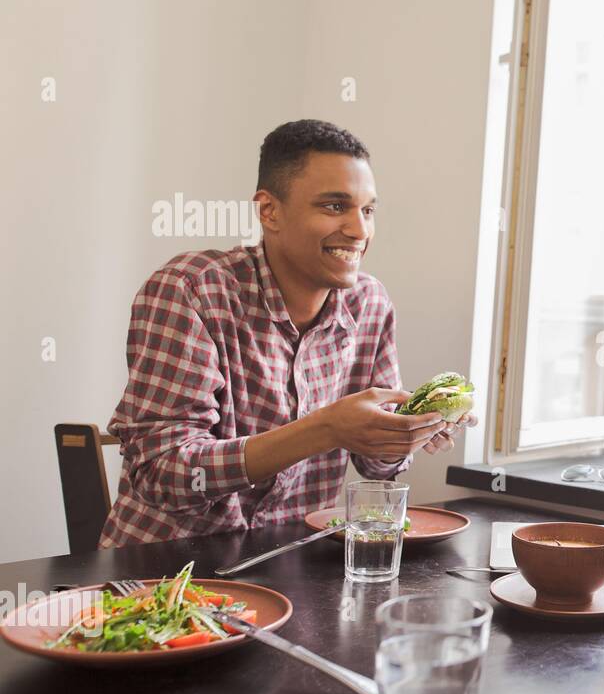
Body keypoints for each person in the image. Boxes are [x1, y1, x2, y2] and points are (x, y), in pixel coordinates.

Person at [100, 120, 471, 547]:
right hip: (164, 573)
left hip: (291, 569)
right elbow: (162, 474)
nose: (360, 230)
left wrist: (405, 432)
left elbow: (377, 469)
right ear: (269, 211)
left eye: (368, 210)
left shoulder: (370, 303)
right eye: (335, 206)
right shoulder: (192, 289)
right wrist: (326, 429)